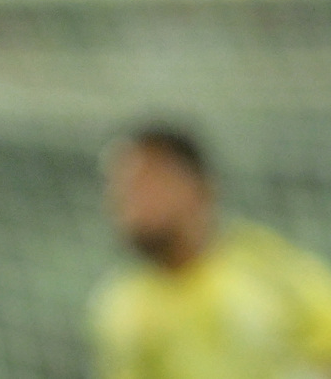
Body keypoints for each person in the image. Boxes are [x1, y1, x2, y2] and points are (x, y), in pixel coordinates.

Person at [91, 125, 331, 378]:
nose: (131, 204)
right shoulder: (121, 309)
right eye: (120, 189)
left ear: (200, 186)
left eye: (147, 184)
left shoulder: (269, 267)